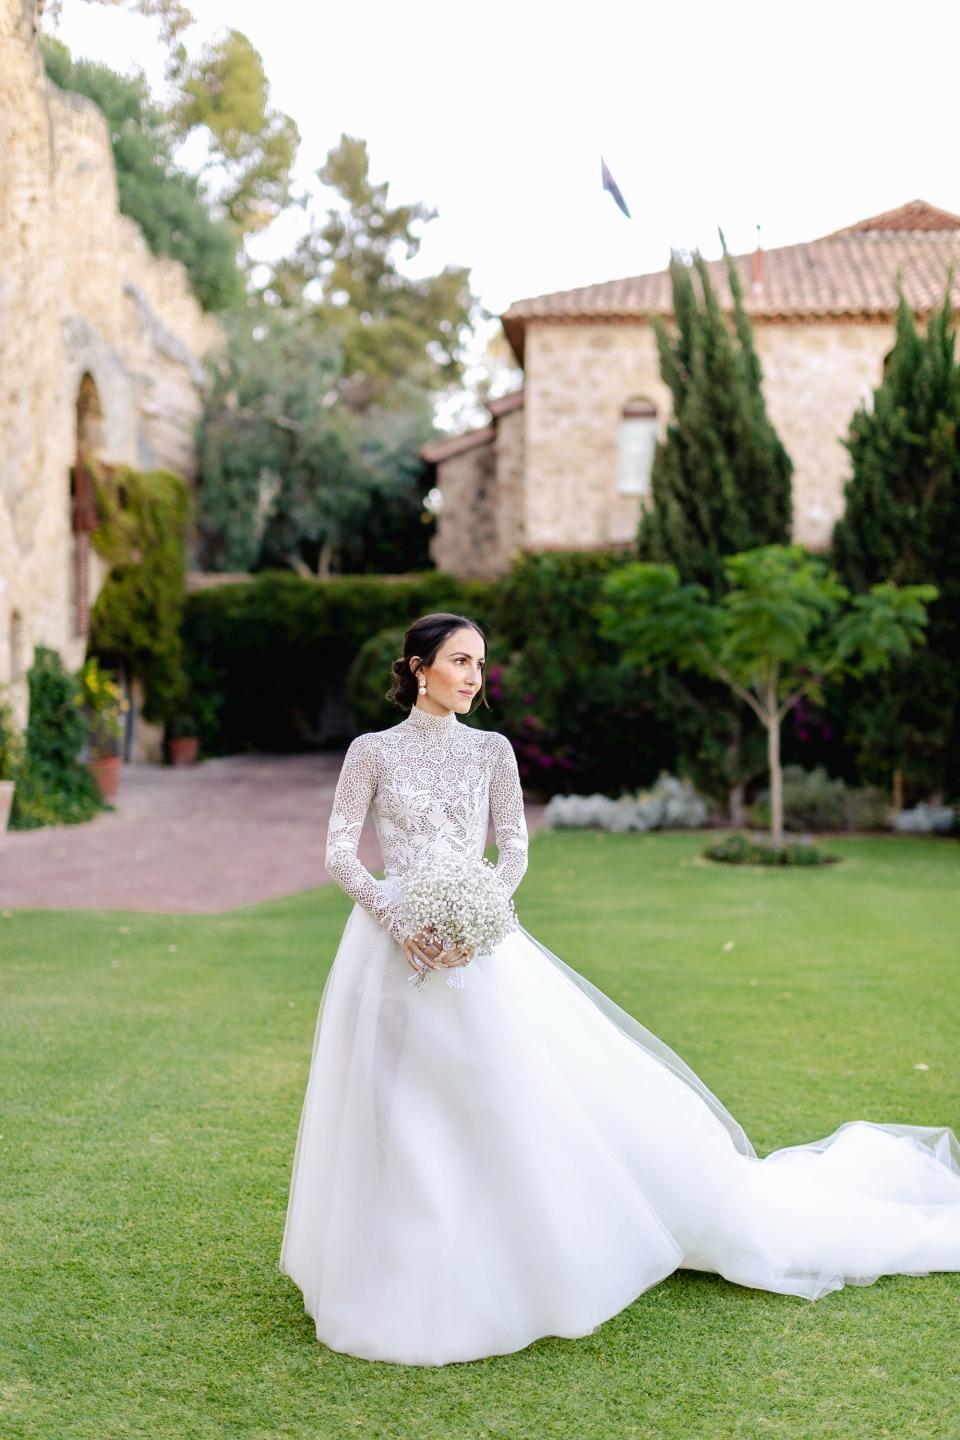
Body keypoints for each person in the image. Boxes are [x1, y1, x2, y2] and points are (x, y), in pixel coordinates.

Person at [278, 611, 960, 1367]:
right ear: (417, 668)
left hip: (479, 949)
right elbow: (341, 850)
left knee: (493, 1094)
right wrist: (395, 915)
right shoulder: (370, 752)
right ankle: (391, 1259)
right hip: (389, 945)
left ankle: (510, 1253)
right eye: (460, 662)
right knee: (390, 1098)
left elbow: (515, 846)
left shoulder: (492, 752)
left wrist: (483, 915)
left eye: (480, 664)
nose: (475, 677)